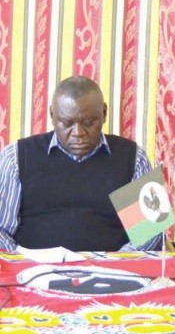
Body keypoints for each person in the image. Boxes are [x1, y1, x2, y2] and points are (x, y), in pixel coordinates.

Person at [0, 76, 161, 252]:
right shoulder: (16, 157)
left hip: (113, 272)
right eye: (67, 123)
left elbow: (151, 230)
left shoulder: (134, 157)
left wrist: (115, 264)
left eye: (88, 123)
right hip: (32, 271)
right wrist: (21, 259)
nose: (78, 133)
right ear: (52, 115)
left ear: (104, 114)